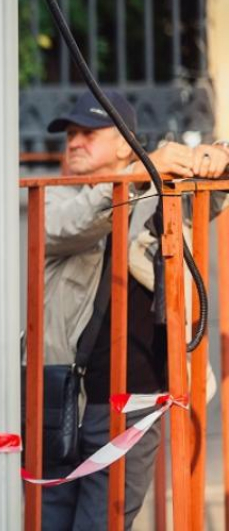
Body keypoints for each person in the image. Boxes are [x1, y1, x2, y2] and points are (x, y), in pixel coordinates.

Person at [40, 90, 229, 530]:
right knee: (46, 521)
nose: (74, 142)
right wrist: (139, 174)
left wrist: (217, 156)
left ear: (127, 142)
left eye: (88, 132)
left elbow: (212, 196)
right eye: (69, 134)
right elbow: (68, 226)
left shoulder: (161, 192)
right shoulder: (49, 198)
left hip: (133, 398)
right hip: (58, 391)